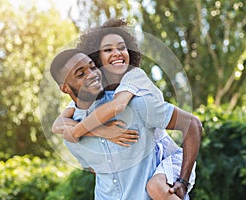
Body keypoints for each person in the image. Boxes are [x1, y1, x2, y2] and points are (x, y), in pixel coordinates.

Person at [52, 19, 202, 200]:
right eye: (108, 50)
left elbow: (117, 106)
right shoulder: (84, 112)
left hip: (165, 154)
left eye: (121, 47)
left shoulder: (134, 84)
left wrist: (77, 131)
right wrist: (102, 131)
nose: (117, 53)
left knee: (156, 188)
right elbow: (61, 124)